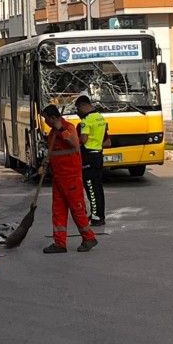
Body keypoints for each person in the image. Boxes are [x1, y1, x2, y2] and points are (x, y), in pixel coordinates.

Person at [41, 105, 98, 254]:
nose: (45, 121)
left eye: (46, 118)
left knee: (77, 209)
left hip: (71, 177)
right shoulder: (52, 133)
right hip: (58, 177)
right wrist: (47, 163)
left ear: (53, 118)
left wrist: (61, 129)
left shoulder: (68, 128)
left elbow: (74, 142)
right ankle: (59, 243)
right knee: (58, 210)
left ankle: (89, 238)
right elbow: (54, 153)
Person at [75, 95, 108, 225]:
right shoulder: (100, 117)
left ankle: (95, 216)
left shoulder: (86, 121)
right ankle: (100, 214)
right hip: (98, 154)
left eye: (78, 109)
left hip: (88, 156)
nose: (78, 112)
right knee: (98, 187)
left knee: (90, 187)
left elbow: (83, 139)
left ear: (83, 106)